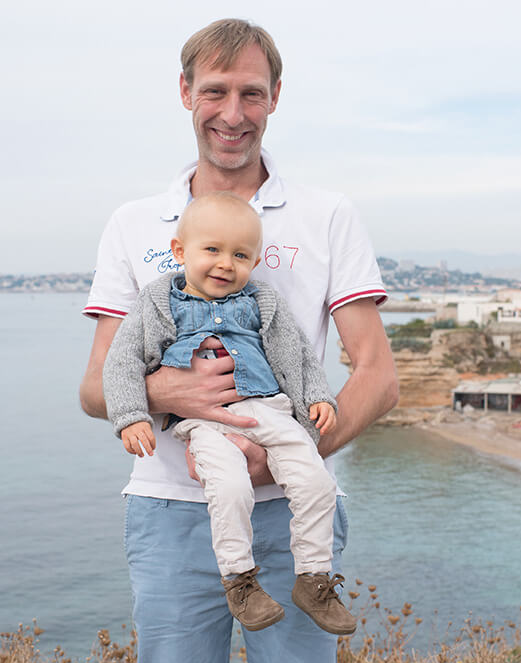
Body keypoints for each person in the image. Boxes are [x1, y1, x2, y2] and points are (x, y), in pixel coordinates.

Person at [78, 18, 398, 663]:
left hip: (291, 513)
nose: (233, 113)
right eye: (216, 91)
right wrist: (169, 390)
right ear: (185, 91)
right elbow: (95, 386)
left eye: (251, 93)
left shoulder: (326, 214)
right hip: (170, 511)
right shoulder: (134, 222)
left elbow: (377, 374)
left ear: (276, 96)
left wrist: (288, 451)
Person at [102, 193, 355, 635]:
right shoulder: (157, 301)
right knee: (231, 487)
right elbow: (120, 362)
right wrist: (132, 414)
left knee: (317, 480)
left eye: (240, 255)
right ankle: (239, 580)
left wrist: (318, 397)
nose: (225, 264)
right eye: (212, 250)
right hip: (205, 422)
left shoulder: (263, 302)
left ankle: (314, 578)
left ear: (255, 262)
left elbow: (297, 355)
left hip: (270, 409)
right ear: (180, 251)